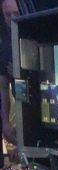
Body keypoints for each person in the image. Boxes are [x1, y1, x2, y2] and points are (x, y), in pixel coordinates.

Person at [0, 0, 19, 158]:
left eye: (16, 14)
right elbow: (3, 87)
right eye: (8, 15)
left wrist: (20, 74)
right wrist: (5, 122)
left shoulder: (39, 32)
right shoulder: (5, 45)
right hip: (22, 110)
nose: (12, 19)